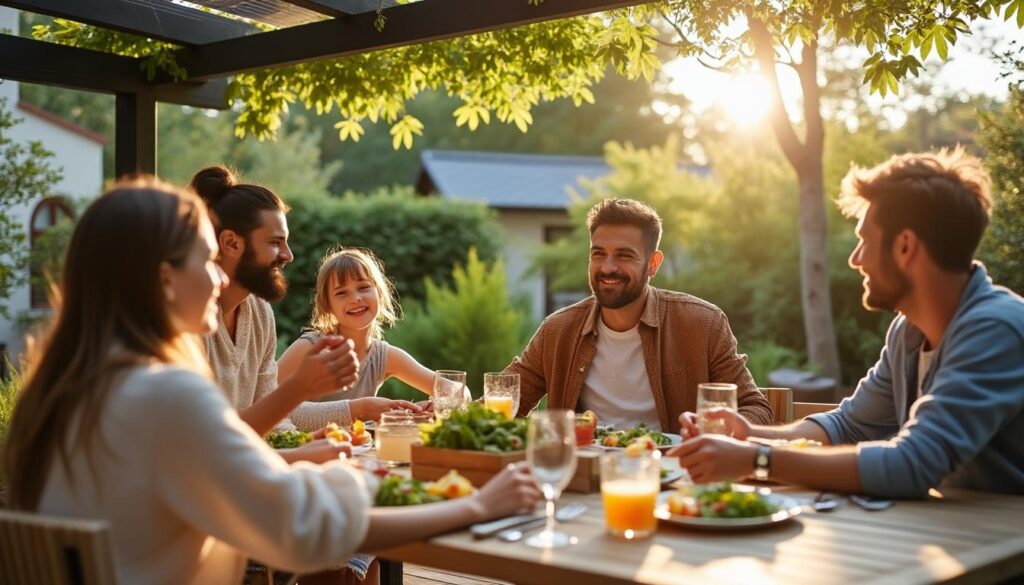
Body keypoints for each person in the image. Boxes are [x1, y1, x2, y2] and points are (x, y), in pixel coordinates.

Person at [2, 178, 541, 584]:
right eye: (206, 259)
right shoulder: (164, 393)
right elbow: (302, 533)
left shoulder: (75, 390)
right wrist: (478, 506)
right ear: (166, 279)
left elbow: (211, 470)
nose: (219, 275)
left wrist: (325, 464)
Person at [672, 148, 1024, 497]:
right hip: (963, 537)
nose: (855, 260)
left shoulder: (995, 330)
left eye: (864, 241)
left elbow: (913, 464)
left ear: (905, 247)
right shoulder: (909, 332)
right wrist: (750, 435)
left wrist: (757, 459)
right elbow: (849, 424)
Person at [190, 167, 418, 449]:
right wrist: (302, 391)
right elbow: (207, 446)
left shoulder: (259, 313)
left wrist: (306, 442)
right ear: (231, 243)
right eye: (276, 243)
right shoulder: (189, 322)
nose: (289, 255)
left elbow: (274, 421)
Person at [506, 197, 772, 433]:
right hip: (581, 477)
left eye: (624, 255)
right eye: (599, 254)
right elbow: (505, 404)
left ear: (653, 264)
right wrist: (466, 415)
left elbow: (755, 408)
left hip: (674, 476)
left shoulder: (703, 323)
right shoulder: (558, 330)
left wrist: (714, 430)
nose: (608, 267)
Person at [278, 248, 438, 430]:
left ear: (379, 292)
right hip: (296, 453)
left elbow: (456, 390)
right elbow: (269, 407)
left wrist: (434, 406)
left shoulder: (383, 356)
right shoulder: (309, 348)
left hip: (351, 453)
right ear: (327, 304)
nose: (355, 298)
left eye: (363, 287)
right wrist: (361, 409)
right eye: (341, 293)